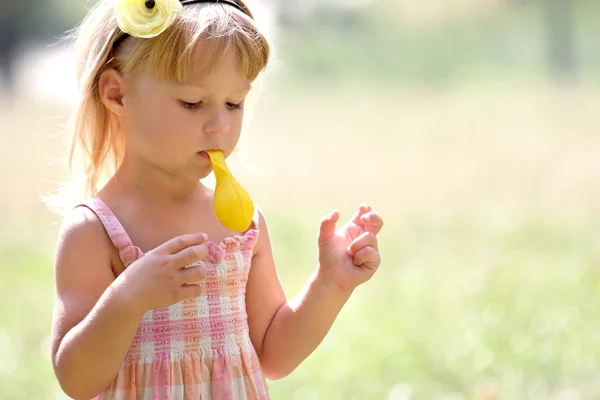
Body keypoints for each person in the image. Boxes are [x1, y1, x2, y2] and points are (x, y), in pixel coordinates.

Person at [48, 0, 384, 398]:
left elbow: (273, 355)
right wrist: (127, 299)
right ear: (117, 95)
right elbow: (76, 380)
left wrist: (331, 284)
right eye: (192, 103)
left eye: (234, 103)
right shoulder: (96, 229)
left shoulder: (239, 223)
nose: (220, 125)